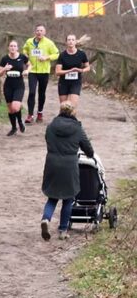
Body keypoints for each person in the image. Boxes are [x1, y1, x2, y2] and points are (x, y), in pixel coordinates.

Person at [40, 102, 94, 241]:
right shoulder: (77, 128)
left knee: (52, 197)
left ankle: (46, 219)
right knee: (68, 199)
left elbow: (48, 140)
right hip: (69, 166)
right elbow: (87, 148)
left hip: (52, 163)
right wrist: (90, 154)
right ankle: (63, 230)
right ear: (73, 112)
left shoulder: (51, 126)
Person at [21, 24, 59, 123]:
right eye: (37, 30)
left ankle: (40, 113)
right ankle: (30, 115)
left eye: (41, 30)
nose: (39, 32)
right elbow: (24, 49)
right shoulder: (29, 41)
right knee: (32, 92)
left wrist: (46, 57)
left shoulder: (49, 43)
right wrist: (26, 55)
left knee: (41, 93)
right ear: (35, 31)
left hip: (44, 71)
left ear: (44, 32)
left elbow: (56, 54)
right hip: (32, 70)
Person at [0, 39, 30, 136]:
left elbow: (30, 65)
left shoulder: (22, 57)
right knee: (10, 109)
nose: (12, 48)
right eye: (11, 46)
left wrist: (27, 70)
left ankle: (20, 122)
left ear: (17, 48)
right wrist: (5, 69)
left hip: (19, 85)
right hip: (8, 85)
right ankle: (13, 128)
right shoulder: (4, 59)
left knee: (15, 107)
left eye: (14, 46)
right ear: (8, 48)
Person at [55, 34, 90, 112]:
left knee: (72, 106)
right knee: (63, 107)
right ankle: (62, 122)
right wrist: (70, 71)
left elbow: (88, 67)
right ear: (66, 42)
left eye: (72, 40)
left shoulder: (81, 54)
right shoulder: (62, 55)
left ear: (75, 42)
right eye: (69, 40)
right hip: (63, 83)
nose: (71, 41)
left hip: (76, 82)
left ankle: (72, 123)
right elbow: (57, 72)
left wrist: (81, 70)